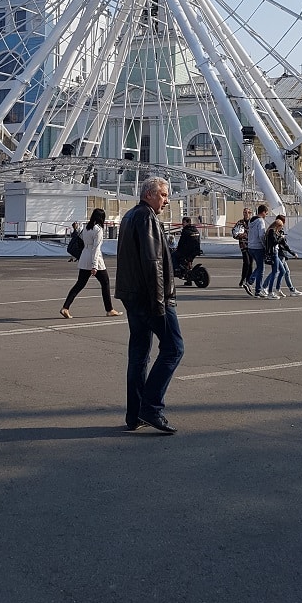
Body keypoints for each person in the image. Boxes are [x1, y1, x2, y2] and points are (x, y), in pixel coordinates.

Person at [115, 176, 184, 434]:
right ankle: (151, 407)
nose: (167, 200)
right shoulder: (146, 218)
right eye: (164, 195)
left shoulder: (129, 216)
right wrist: (159, 303)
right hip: (151, 297)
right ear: (150, 194)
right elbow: (153, 263)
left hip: (132, 296)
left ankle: (134, 415)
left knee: (139, 354)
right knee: (174, 348)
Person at [60, 209, 122, 319]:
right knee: (105, 283)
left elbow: (82, 243)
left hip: (84, 257)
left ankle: (66, 307)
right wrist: (94, 266)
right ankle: (109, 309)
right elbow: (96, 248)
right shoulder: (98, 230)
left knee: (79, 284)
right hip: (94, 259)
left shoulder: (86, 228)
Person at [262, 215, 302, 298]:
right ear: (278, 225)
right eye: (281, 226)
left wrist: (292, 253)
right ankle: (269, 290)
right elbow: (275, 242)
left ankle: (276, 289)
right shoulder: (272, 232)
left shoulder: (277, 232)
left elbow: (284, 244)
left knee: (283, 271)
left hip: (278, 253)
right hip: (276, 254)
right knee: (276, 272)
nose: (282, 228)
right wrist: (281, 238)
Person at [248, 203, 269, 298]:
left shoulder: (251, 220)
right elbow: (261, 234)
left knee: (259, 267)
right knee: (261, 268)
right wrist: (265, 245)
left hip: (250, 246)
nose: (266, 215)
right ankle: (256, 288)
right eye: (266, 213)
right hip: (258, 247)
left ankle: (251, 282)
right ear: (263, 212)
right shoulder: (260, 221)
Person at [173, 215, 202, 285]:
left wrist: (177, 248)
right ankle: (188, 279)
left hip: (186, 251)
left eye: (183, 222)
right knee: (188, 261)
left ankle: (176, 269)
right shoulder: (195, 230)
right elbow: (198, 241)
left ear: (188, 222)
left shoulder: (185, 231)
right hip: (196, 250)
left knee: (173, 255)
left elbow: (181, 242)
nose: (182, 224)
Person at [233, 207, 253, 294]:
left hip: (252, 245)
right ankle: (243, 279)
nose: (246, 214)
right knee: (247, 262)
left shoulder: (253, 222)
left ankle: (248, 280)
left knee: (251, 263)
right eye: (244, 212)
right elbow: (234, 233)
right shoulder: (240, 223)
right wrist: (240, 236)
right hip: (243, 245)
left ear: (250, 213)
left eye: (247, 212)